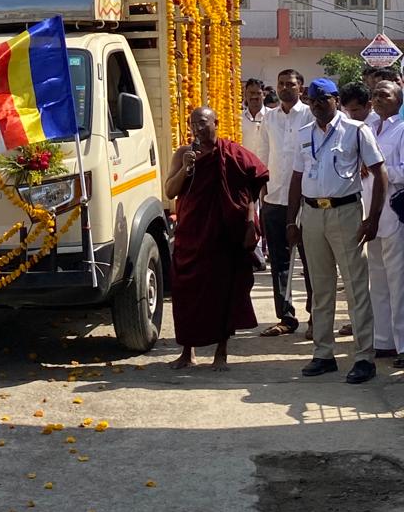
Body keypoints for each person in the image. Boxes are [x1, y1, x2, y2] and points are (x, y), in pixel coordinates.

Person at [287, 78, 386, 384]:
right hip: (313, 214)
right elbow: (296, 178)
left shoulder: (357, 131)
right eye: (312, 100)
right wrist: (292, 220)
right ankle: (323, 354)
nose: (317, 105)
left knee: (356, 287)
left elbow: (379, 172)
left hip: (346, 212)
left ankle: (363, 358)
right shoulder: (305, 134)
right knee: (320, 286)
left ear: (336, 100)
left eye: (323, 99)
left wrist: (373, 218)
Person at [165, 106, 268, 370]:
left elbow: (253, 185)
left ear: (216, 123)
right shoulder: (183, 154)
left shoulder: (231, 153)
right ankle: (188, 351)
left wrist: (249, 221)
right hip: (192, 232)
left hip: (223, 234)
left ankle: (221, 352)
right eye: (192, 124)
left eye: (202, 123)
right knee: (186, 292)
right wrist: (186, 168)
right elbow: (170, 191)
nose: (197, 129)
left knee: (223, 293)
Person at [259, 69, 312, 339]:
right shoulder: (269, 118)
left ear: (300, 88)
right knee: (279, 261)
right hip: (274, 197)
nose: (285, 88)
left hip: (306, 199)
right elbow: (263, 152)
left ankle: (316, 316)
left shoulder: (310, 114)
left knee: (311, 259)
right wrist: (262, 188)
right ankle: (286, 317)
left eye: (291, 84)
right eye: (281, 84)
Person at [366, 81, 404, 363]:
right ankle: (384, 340)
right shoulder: (369, 128)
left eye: (385, 94)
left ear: (398, 100)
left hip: (394, 213)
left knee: (398, 281)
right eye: (375, 94)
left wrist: (380, 171)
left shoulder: (401, 130)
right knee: (377, 279)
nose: (378, 98)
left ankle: (403, 345)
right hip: (371, 213)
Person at [241, 78, 268, 163]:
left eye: (258, 93)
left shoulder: (272, 116)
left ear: (264, 95)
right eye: (251, 93)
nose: (254, 96)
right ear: (245, 94)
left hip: (266, 168)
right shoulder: (238, 118)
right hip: (244, 167)